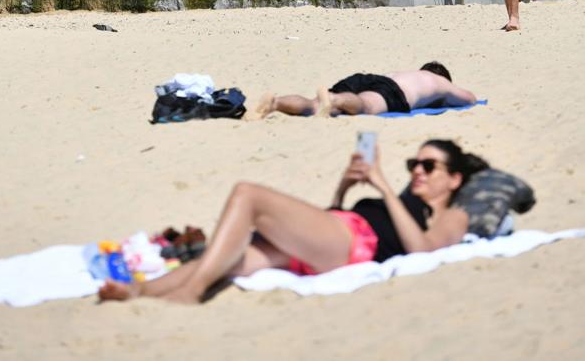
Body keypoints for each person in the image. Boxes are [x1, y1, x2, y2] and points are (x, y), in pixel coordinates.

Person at [98, 138, 489, 304]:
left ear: (453, 178)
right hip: (331, 236)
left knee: (248, 195)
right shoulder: (406, 202)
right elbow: (333, 215)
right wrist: (343, 188)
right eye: (413, 164)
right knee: (228, 256)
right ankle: (141, 294)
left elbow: (421, 251)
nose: (417, 171)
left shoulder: (451, 214)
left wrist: (385, 186)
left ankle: (192, 292)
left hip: (354, 244)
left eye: (428, 165)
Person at [252, 62, 477, 118]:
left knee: (314, 105)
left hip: (371, 77)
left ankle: (276, 103)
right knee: (366, 106)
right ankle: (336, 100)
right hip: (392, 91)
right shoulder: (438, 82)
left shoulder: (407, 73)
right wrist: (444, 97)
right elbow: (469, 98)